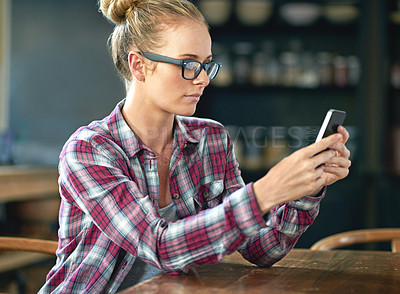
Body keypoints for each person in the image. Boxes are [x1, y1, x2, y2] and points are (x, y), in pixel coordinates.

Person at [40, 0, 351, 292]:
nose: (202, 79)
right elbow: (159, 246)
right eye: (189, 64)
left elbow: (262, 250)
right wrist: (265, 193)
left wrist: (305, 188)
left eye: (207, 65)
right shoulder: (88, 151)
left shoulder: (210, 140)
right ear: (138, 65)